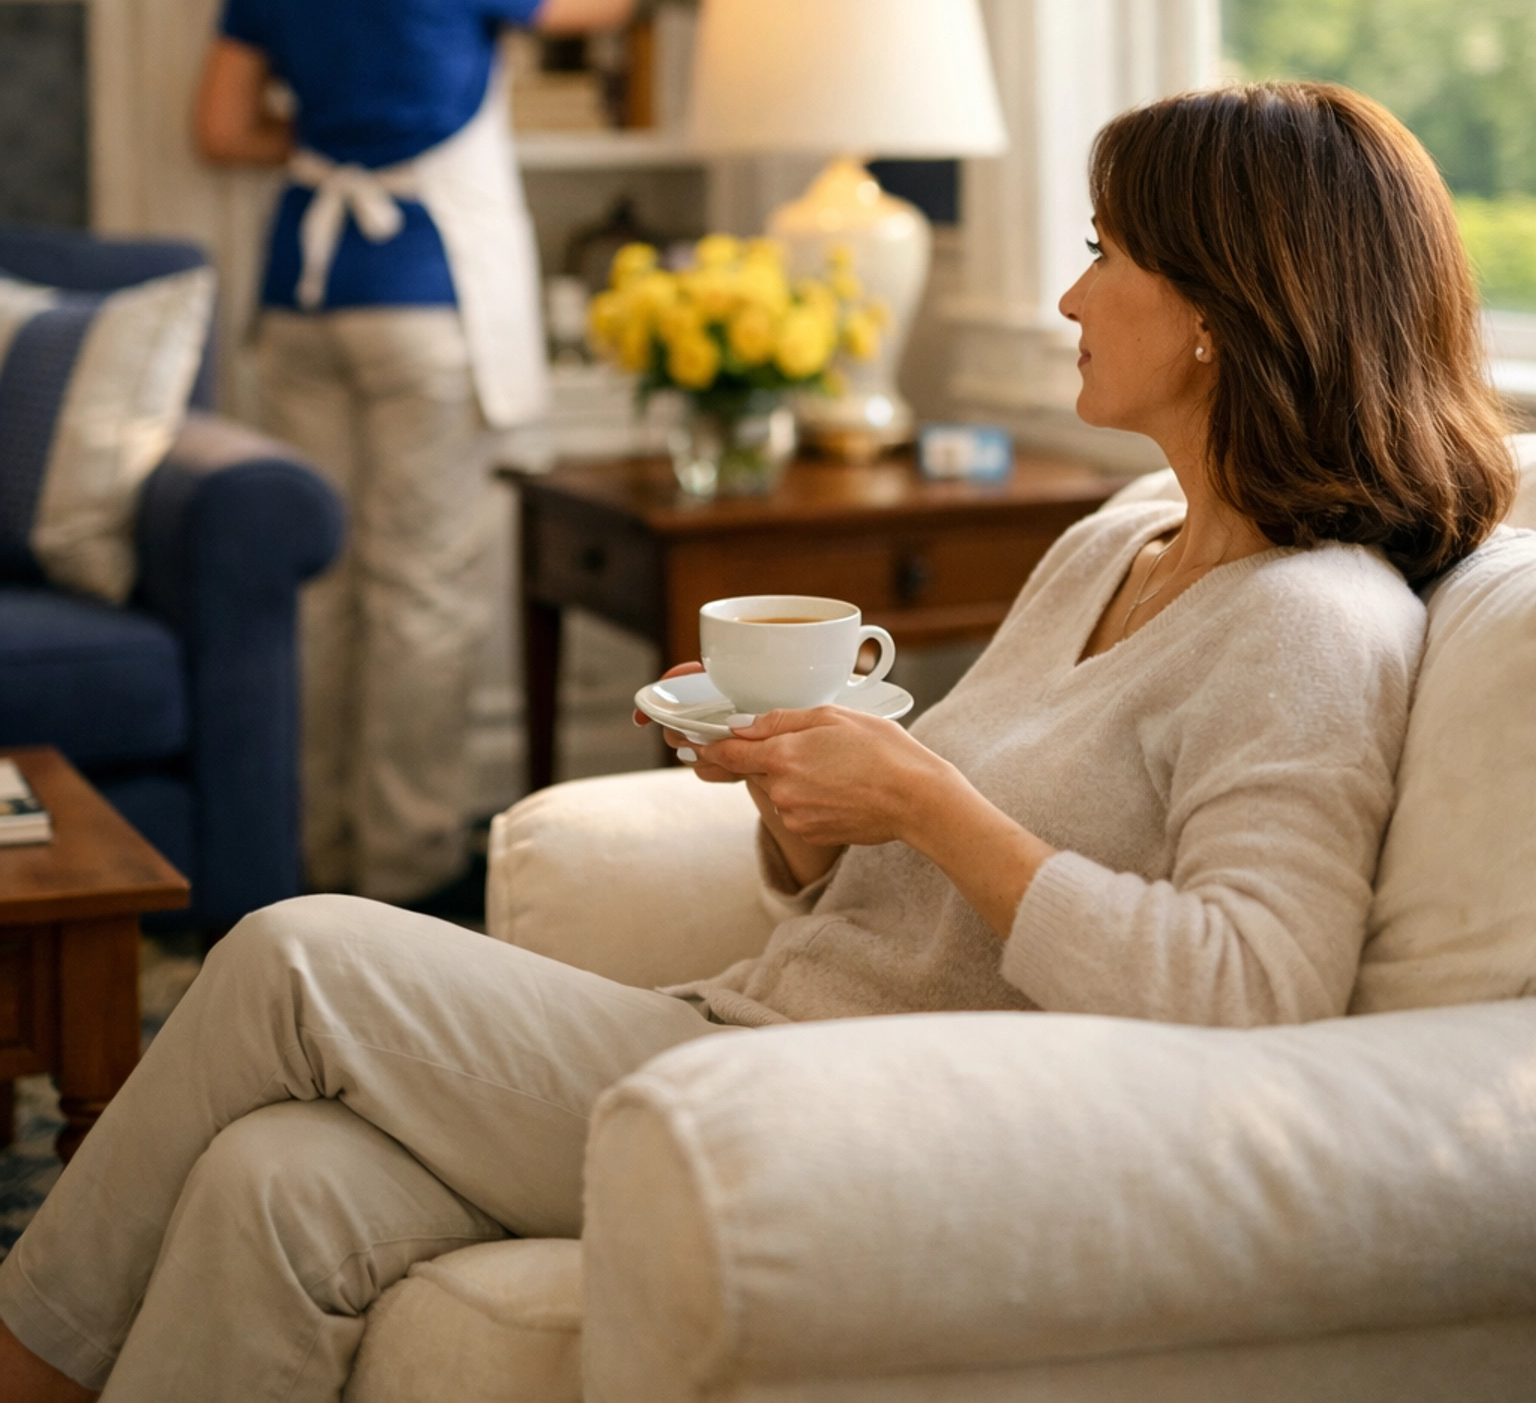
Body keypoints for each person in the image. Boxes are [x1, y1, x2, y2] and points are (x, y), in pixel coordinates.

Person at [0, 81, 1513, 1402]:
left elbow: (1256, 991)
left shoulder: (1311, 621)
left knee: (287, 953)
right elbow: (887, 882)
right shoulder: (1116, 545)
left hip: (857, 1113)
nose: (1065, 297)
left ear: (1212, 313)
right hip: (750, 1026)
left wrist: (924, 801)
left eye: (1103, 257)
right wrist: (807, 804)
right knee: (282, 1187)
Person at [191, 0, 684, 909]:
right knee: (418, 597)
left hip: (301, 305)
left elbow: (215, 125)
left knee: (322, 589)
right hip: (421, 307)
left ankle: (313, 869)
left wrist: (330, 149)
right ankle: (404, 880)